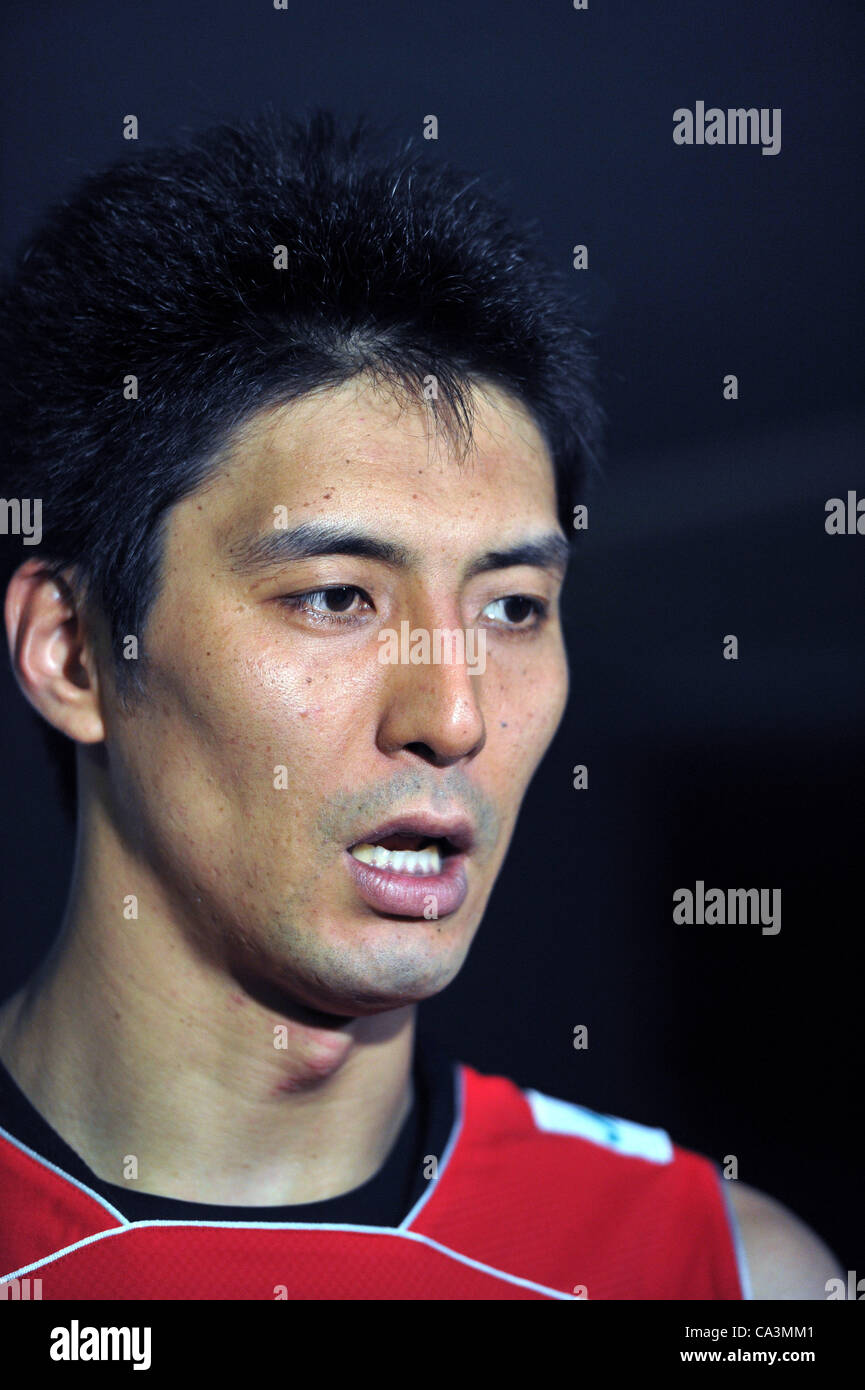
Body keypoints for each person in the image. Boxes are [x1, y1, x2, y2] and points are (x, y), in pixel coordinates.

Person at [0, 110, 841, 1300]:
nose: (455, 714)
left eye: (510, 608)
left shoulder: (718, 1274)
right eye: (338, 596)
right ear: (75, 652)